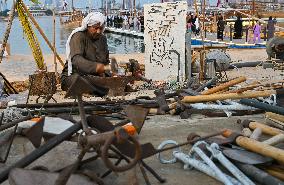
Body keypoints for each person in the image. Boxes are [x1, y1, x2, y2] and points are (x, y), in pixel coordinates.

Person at [61, 12, 110, 96]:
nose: (98, 31)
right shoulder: (78, 36)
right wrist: (96, 67)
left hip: (95, 77)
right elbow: (76, 60)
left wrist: (106, 72)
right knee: (82, 81)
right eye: (95, 28)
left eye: (101, 28)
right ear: (88, 26)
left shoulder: (102, 39)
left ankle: (98, 89)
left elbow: (105, 62)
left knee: (114, 80)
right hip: (75, 76)